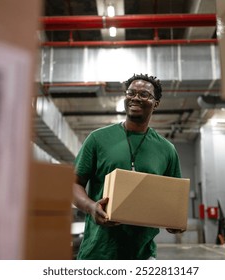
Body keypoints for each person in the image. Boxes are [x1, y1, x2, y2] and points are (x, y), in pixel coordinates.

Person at [72, 73, 185, 260]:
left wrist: (175, 221)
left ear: (156, 103)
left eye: (144, 94)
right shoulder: (98, 139)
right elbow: (74, 184)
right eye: (131, 93)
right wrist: (92, 207)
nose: (135, 98)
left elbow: (174, 201)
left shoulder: (167, 150)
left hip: (143, 255)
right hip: (98, 252)